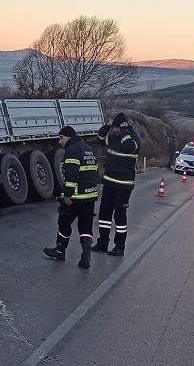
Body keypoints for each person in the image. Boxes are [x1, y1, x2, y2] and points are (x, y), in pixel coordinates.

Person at [43, 125, 100, 269]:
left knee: (64, 222)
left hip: (76, 197)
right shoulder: (89, 150)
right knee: (86, 227)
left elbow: (72, 176)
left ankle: (60, 250)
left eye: (61, 137)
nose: (59, 141)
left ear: (68, 136)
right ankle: (86, 255)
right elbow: (95, 173)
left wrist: (67, 195)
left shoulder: (71, 151)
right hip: (90, 195)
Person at [91, 112, 141, 256]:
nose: (115, 130)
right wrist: (106, 127)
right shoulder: (113, 137)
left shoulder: (133, 138)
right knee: (104, 215)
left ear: (123, 127)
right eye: (113, 128)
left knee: (119, 217)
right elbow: (100, 139)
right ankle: (102, 243)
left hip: (124, 185)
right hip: (109, 183)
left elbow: (128, 147)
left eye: (116, 128)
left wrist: (125, 131)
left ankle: (120, 246)